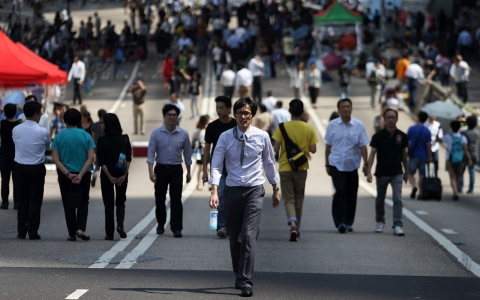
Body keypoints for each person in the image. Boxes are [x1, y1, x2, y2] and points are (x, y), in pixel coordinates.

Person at [209, 97, 280, 297]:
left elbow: (268, 163)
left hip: (254, 189)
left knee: (249, 235)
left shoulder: (262, 136)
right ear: (235, 115)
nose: (243, 117)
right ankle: (238, 272)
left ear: (253, 115)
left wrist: (275, 186)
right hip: (232, 189)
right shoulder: (225, 137)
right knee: (235, 238)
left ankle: (245, 280)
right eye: (239, 113)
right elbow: (216, 164)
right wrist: (214, 190)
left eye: (247, 113)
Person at [272, 99, 318, 241]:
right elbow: (313, 149)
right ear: (302, 111)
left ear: (289, 111)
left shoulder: (282, 127)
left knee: (289, 199)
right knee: (299, 198)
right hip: (302, 167)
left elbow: (275, 148)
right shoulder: (308, 128)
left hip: (285, 167)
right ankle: (297, 226)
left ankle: (292, 223)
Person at [147, 104, 192, 238]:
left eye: (174, 115)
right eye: (169, 115)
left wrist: (189, 172)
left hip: (176, 169)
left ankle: (176, 227)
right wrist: (150, 171)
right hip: (160, 168)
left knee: (176, 199)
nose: (172, 118)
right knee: (160, 198)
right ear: (164, 117)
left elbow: (188, 154)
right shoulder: (156, 133)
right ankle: (160, 224)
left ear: (177, 117)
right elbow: (150, 154)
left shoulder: (183, 134)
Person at [324, 98, 369, 233]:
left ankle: (349, 221)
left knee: (351, 193)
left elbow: (363, 146)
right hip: (336, 163)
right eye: (343, 107)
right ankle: (340, 222)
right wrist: (327, 163)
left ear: (351, 109)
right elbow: (328, 146)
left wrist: (366, 164)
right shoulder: (332, 125)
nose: (345, 109)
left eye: (348, 106)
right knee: (340, 192)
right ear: (338, 110)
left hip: (352, 164)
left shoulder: (358, 125)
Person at [52, 108, 95, 241]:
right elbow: (90, 158)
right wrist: (80, 175)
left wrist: (68, 174)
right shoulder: (86, 136)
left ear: (64, 120)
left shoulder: (59, 136)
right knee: (83, 201)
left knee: (67, 203)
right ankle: (81, 229)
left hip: (65, 175)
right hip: (84, 173)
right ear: (80, 120)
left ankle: (71, 233)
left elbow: (55, 159)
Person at [367, 109, 408, 236]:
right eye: (388, 117)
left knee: (397, 199)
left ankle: (397, 225)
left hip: (397, 173)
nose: (391, 119)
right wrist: (368, 171)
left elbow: (404, 154)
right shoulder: (378, 136)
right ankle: (380, 221)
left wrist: (407, 171)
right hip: (382, 173)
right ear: (384, 119)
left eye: (393, 117)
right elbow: (372, 154)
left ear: (397, 119)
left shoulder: (402, 136)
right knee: (380, 199)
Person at [13, 101, 51, 240]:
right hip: (36, 168)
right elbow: (47, 145)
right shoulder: (42, 131)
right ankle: (33, 231)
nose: (41, 116)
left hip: (20, 167)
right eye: (40, 113)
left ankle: (21, 230)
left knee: (22, 199)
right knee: (35, 200)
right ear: (35, 115)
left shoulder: (16, 129)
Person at [202, 96, 237, 238]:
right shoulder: (212, 127)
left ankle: (233, 225)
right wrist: (205, 170)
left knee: (234, 197)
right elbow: (206, 149)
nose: (219, 110)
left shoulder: (236, 125)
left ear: (229, 109)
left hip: (235, 167)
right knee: (220, 194)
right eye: (217, 108)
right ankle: (222, 226)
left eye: (222, 107)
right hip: (219, 167)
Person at [97, 113, 132, 240]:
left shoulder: (102, 140)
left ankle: (109, 233)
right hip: (122, 174)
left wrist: (109, 176)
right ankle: (120, 226)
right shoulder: (125, 138)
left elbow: (102, 162)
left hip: (107, 176)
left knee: (108, 204)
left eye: (102, 123)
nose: (101, 125)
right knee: (121, 201)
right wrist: (124, 174)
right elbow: (128, 158)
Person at [440, 121, 473, 201]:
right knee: (457, 176)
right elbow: (466, 150)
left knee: (452, 178)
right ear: (459, 128)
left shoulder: (448, 136)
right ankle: (457, 190)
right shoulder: (463, 138)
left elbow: (439, 140)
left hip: (450, 159)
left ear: (451, 128)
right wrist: (469, 159)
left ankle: (455, 192)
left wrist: (438, 133)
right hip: (460, 159)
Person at [407, 111, 432, 200]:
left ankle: (414, 186)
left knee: (409, 173)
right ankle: (421, 193)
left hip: (414, 155)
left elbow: (407, 141)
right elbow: (428, 144)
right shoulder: (427, 131)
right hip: (424, 156)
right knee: (422, 175)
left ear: (418, 118)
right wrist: (430, 157)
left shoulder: (411, 129)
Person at [1, 104, 21, 210]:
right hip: (16, 154)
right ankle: (17, 202)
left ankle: (5, 202)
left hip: (4, 154)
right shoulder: (19, 124)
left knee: (4, 180)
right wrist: (22, 109)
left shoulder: (2, 123)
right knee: (16, 179)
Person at [459, 116, 478, 194]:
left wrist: (462, 122)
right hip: (474, 154)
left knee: (461, 172)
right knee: (472, 172)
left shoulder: (464, 133)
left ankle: (460, 188)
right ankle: (471, 189)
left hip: (464, 154)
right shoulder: (477, 133)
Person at [191, 115, 209, 191]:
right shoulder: (198, 130)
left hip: (207, 151)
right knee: (200, 168)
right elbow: (192, 140)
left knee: (208, 168)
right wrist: (199, 144)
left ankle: (210, 184)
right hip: (200, 151)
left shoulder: (208, 129)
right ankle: (199, 183)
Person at [91, 109, 107, 187]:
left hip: (97, 145)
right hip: (105, 145)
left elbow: (93, 137)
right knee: (106, 163)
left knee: (97, 164)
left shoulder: (94, 125)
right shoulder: (106, 125)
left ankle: (95, 174)